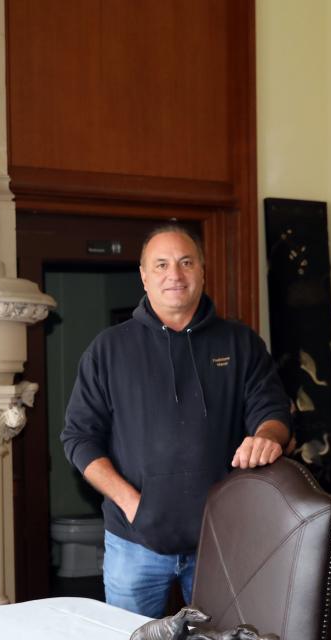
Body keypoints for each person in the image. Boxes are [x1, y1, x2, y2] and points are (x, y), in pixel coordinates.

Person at [60, 224, 292, 617]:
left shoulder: (240, 343)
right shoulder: (109, 349)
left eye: (186, 262)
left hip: (223, 542)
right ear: (144, 275)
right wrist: (131, 503)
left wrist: (269, 436)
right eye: (162, 264)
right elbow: (79, 438)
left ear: (202, 270)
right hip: (133, 542)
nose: (175, 274)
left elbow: (273, 414)